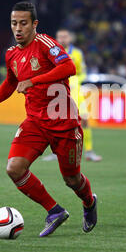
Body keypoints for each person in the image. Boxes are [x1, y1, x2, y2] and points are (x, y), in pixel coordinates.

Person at [0, 1, 97, 237]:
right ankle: (54, 211)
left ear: (34, 24)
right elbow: (11, 82)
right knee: (14, 168)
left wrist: (35, 80)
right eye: (14, 23)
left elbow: (69, 67)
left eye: (23, 23)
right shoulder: (11, 54)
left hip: (63, 121)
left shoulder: (45, 44)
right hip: (35, 122)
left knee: (72, 179)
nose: (18, 28)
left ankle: (89, 203)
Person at [42, 29, 102, 162]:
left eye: (65, 36)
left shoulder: (77, 53)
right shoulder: (50, 52)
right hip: (57, 91)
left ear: (70, 38)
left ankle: (89, 152)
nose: (63, 39)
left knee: (84, 119)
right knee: (56, 122)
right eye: (60, 37)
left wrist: (76, 81)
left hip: (76, 91)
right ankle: (55, 152)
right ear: (56, 38)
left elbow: (82, 73)